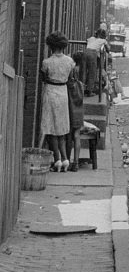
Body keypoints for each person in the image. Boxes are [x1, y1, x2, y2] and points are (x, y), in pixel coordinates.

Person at [39, 31, 75, 172]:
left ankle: (57, 160)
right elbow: (71, 78)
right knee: (61, 128)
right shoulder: (69, 61)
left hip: (50, 91)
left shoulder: (47, 62)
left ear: (51, 46)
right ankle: (66, 159)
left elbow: (44, 77)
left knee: (51, 127)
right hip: (63, 92)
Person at [67, 52, 85, 172]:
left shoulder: (70, 83)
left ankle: (67, 160)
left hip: (70, 108)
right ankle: (76, 162)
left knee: (68, 136)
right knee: (77, 136)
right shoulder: (81, 83)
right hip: (79, 110)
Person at [85, 28, 111, 95]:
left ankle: (83, 88)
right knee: (92, 72)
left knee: (84, 71)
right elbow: (108, 49)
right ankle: (89, 91)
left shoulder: (91, 38)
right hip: (93, 54)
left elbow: (87, 40)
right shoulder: (103, 40)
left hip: (86, 52)